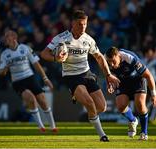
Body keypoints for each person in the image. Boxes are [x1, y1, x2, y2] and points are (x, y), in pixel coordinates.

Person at [40, 10, 120, 142]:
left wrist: (108, 75)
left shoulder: (88, 39)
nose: (83, 27)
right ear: (73, 23)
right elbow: (44, 54)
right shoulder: (61, 38)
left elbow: (99, 57)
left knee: (101, 107)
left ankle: (88, 115)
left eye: (85, 24)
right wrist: (56, 58)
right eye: (80, 24)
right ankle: (102, 135)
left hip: (87, 74)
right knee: (89, 102)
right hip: (71, 76)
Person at [0, 30, 57, 133]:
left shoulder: (25, 49)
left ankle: (53, 126)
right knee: (30, 99)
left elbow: (36, 65)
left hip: (30, 77)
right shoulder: (4, 54)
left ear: (13, 38)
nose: (5, 39)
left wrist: (45, 79)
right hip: (17, 81)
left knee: (42, 101)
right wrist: (6, 68)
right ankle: (41, 127)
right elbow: (1, 73)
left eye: (7, 37)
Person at [104, 46, 156, 140]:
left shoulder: (131, 59)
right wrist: (109, 83)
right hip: (122, 81)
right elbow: (106, 72)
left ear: (118, 55)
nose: (111, 64)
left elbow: (149, 76)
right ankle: (133, 120)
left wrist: (154, 94)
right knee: (121, 106)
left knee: (140, 105)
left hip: (137, 80)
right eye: (109, 62)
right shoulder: (105, 60)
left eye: (113, 61)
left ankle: (144, 133)